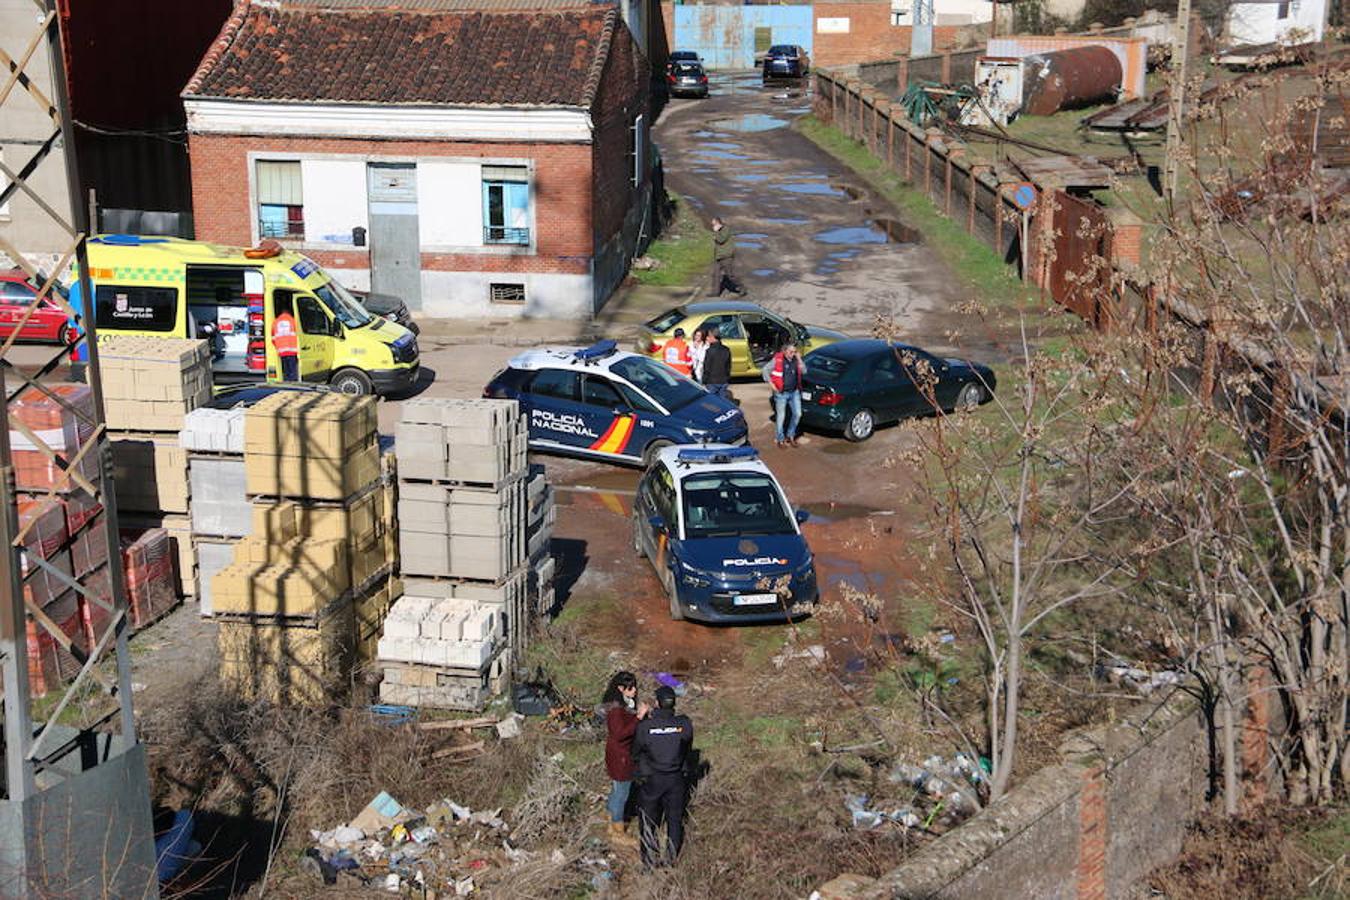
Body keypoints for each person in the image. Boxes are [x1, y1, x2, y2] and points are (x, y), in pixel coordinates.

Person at [633, 685, 694, 868]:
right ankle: (671, 860)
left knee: (648, 820)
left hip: (653, 779)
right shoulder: (683, 724)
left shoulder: (646, 727)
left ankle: (649, 862)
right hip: (676, 779)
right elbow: (687, 747)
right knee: (674, 820)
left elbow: (635, 752)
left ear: (657, 703)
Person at [602, 671, 648, 849]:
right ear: (621, 688)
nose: (635, 691)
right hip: (621, 756)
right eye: (631, 688)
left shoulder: (623, 704)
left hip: (619, 754)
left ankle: (610, 816)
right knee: (622, 793)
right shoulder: (616, 710)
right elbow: (620, 733)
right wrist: (638, 717)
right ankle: (617, 830)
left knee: (616, 789)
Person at [768, 342, 806, 447]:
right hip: (781, 393)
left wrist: (799, 359)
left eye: (794, 352)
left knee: (798, 414)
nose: (792, 354)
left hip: (794, 392)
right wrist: (772, 385)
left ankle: (790, 435)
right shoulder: (777, 360)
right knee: (781, 416)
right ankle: (780, 438)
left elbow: (804, 371)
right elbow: (765, 371)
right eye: (790, 352)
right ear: (784, 351)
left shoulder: (796, 360)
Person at [710, 218, 745, 297]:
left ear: (718, 223)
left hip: (726, 256)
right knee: (715, 274)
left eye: (714, 224)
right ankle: (715, 293)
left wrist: (716, 232)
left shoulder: (726, 230)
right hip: (718, 256)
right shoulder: (719, 231)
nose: (713, 226)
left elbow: (721, 240)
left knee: (730, 275)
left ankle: (742, 288)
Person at [272, 297, 300, 383]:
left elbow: (273, 338)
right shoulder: (293, 320)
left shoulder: (275, 322)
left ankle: (286, 383)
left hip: (281, 351)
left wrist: (278, 346)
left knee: (286, 372)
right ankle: (293, 384)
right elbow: (299, 334)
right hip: (292, 350)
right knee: (293, 372)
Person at [701, 327, 732, 400]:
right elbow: (728, 366)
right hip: (723, 380)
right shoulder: (726, 349)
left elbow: (707, 367)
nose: (707, 338)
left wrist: (704, 380)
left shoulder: (710, 351)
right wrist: (727, 378)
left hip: (712, 381)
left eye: (708, 336)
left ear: (712, 337)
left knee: (712, 402)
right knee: (723, 402)